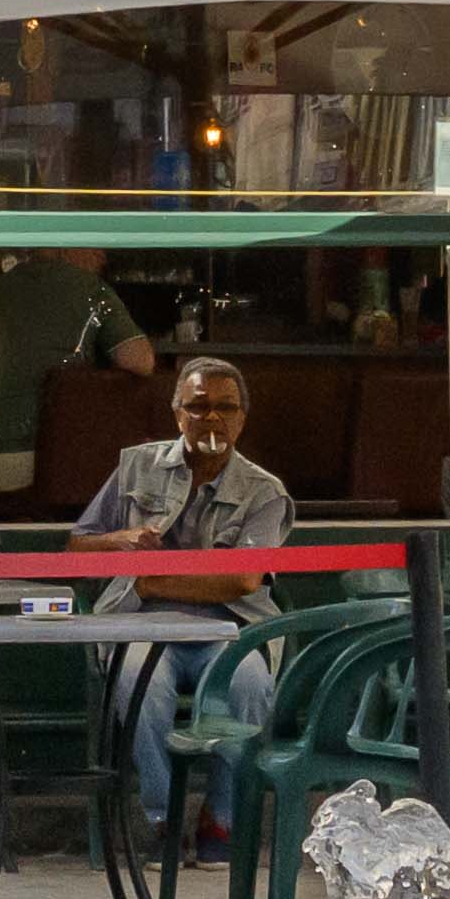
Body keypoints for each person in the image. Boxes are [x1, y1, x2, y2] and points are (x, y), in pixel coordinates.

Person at [72, 347, 296, 829]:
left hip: (229, 628)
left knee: (251, 684)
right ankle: (163, 818)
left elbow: (241, 580)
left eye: (226, 406)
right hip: (140, 623)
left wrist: (154, 580)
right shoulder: (136, 468)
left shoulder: (265, 492)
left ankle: (223, 819)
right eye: (197, 406)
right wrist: (121, 539)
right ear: (178, 415)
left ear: (242, 419)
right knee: (137, 682)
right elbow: (77, 547)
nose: (211, 416)